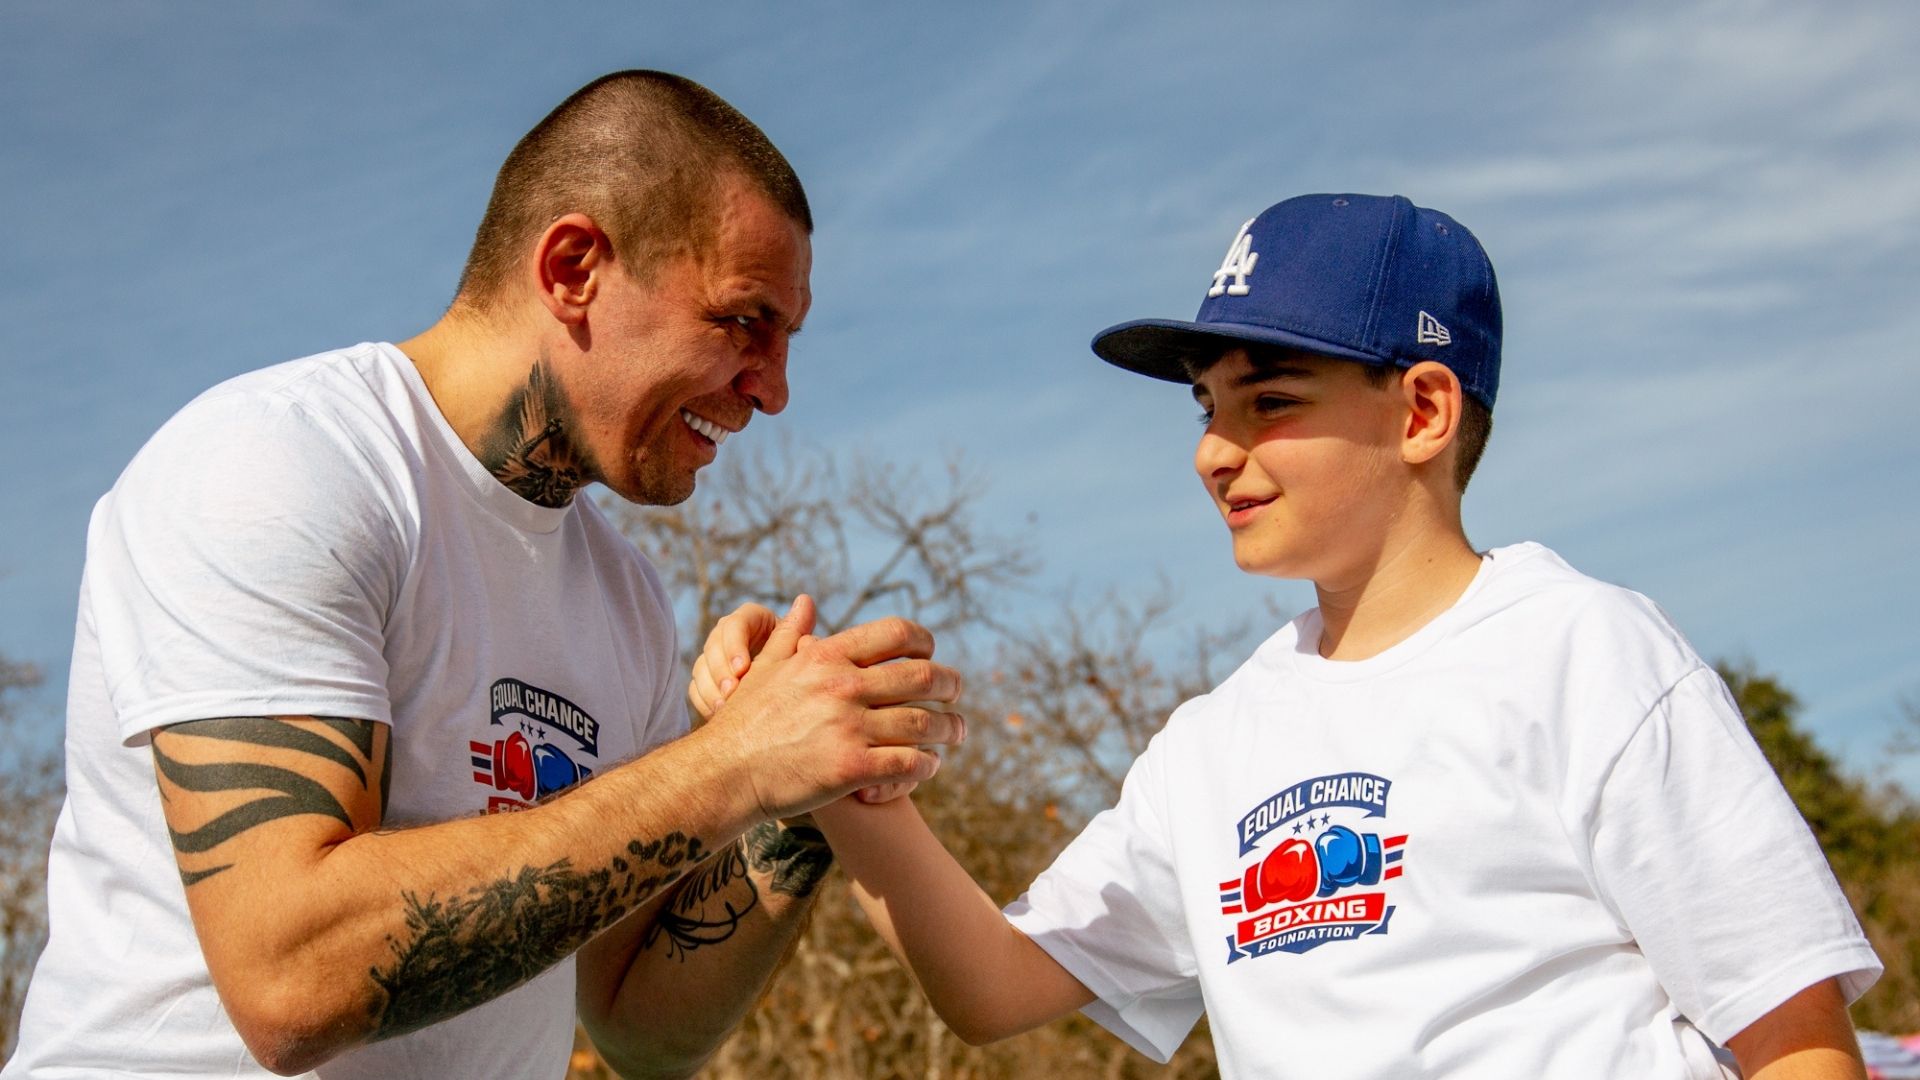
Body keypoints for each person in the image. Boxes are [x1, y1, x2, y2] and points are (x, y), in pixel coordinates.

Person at [699, 194, 1883, 1077]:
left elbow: (1797, 1044)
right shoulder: (1216, 743)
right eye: (1208, 407)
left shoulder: (1586, 653)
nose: (1217, 449)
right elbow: (995, 987)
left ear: (1423, 410)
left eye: (1270, 400)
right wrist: (845, 774)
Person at [5, 71, 965, 1079]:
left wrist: (807, 794)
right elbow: (289, 978)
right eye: (743, 321)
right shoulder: (279, 465)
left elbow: (640, 1025)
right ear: (575, 266)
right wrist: (733, 763)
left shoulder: (625, 599)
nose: (771, 389)